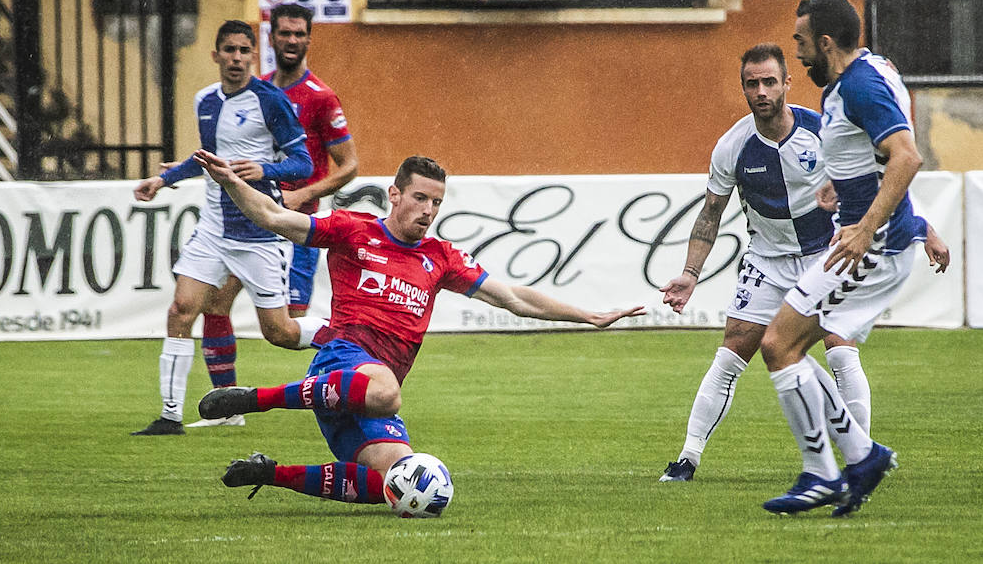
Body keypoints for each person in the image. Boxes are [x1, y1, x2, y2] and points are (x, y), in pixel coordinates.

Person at [190, 151, 646, 508]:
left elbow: (512, 297)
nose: (429, 210)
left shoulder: (442, 257)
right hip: (342, 362)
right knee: (387, 391)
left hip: (365, 387)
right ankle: (253, 399)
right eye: (420, 198)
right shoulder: (353, 230)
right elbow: (274, 218)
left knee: (398, 485)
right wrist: (231, 181)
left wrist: (588, 315)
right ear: (395, 194)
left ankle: (270, 473)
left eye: (437, 203)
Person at [656, 43, 950, 483]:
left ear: (786, 84)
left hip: (825, 255)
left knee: (840, 348)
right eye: (752, 83)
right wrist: (690, 274)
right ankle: (687, 459)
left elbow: (884, 173)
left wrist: (924, 228)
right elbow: (710, 213)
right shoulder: (731, 146)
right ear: (743, 88)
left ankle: (859, 459)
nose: (761, 91)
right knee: (732, 351)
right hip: (766, 261)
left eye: (769, 81)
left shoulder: (822, 129)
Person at [758, 0, 929, 516]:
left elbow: (907, 155)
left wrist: (865, 228)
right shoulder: (854, 78)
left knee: (778, 344)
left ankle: (823, 473)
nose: (799, 53)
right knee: (788, 348)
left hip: (869, 249)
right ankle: (861, 456)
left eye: (802, 43)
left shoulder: (859, 84)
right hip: (861, 242)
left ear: (827, 43)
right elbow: (875, 152)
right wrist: (840, 180)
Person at [130, 20, 314, 436]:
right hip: (213, 227)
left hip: (259, 232)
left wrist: (265, 168)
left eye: (243, 51)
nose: (236, 58)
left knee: (280, 332)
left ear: (253, 55)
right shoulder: (205, 101)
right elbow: (206, 158)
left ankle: (348, 338)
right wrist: (164, 179)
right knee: (181, 310)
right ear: (215, 55)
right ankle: (170, 416)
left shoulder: (271, 101)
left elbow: (304, 164)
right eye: (228, 50)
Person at [188, 3, 360, 429]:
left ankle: (344, 368)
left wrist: (304, 194)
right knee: (214, 303)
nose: (291, 41)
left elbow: (350, 165)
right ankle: (225, 411)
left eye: (299, 34)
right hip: (252, 221)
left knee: (287, 328)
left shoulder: (320, 97)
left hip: (297, 228)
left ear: (308, 39)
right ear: (271, 38)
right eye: (283, 34)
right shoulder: (255, 89)